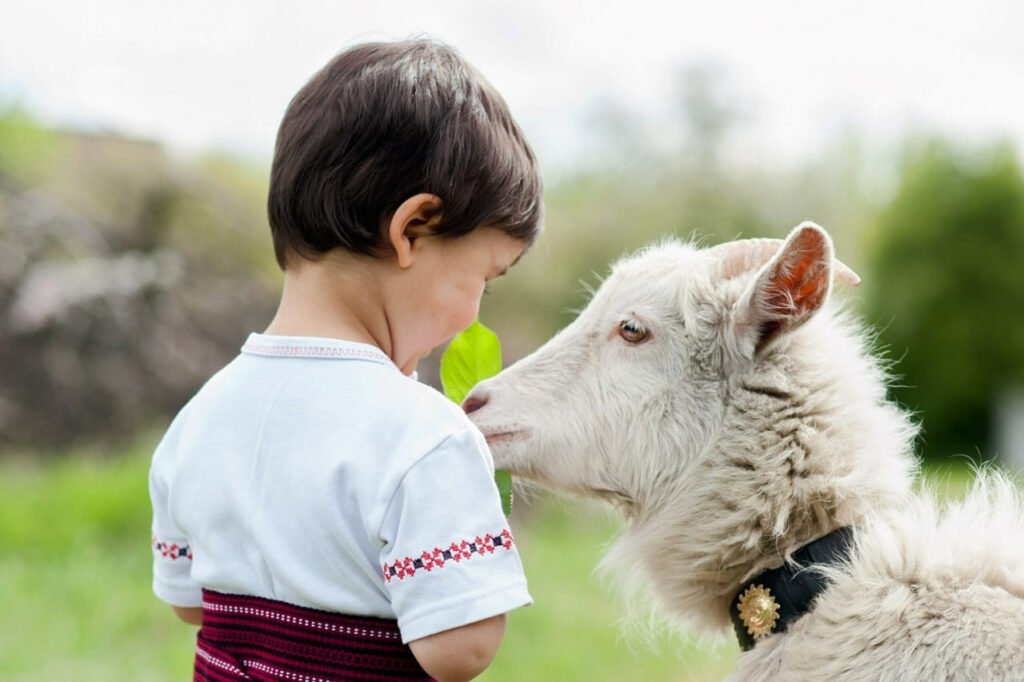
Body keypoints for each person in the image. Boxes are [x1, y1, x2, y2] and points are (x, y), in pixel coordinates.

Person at [149, 38, 543, 682]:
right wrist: (476, 529)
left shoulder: (199, 415)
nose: (476, 313)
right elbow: (458, 650)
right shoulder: (425, 437)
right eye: (484, 277)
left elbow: (187, 603)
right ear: (413, 228)